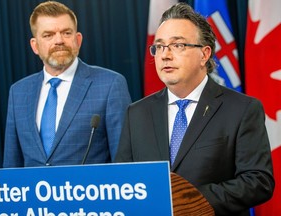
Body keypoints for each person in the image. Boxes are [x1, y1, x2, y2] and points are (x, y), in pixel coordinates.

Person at [115, 3, 274, 216]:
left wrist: (190, 200)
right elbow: (124, 181)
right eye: (159, 47)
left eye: (178, 45)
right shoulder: (136, 113)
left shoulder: (242, 109)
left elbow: (258, 182)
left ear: (204, 54)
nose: (165, 55)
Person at [3, 1, 131, 167]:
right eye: (48, 35)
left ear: (78, 40)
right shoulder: (18, 92)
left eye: (66, 33)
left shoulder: (110, 84)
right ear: (35, 46)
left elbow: (124, 164)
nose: (59, 41)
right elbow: (11, 167)